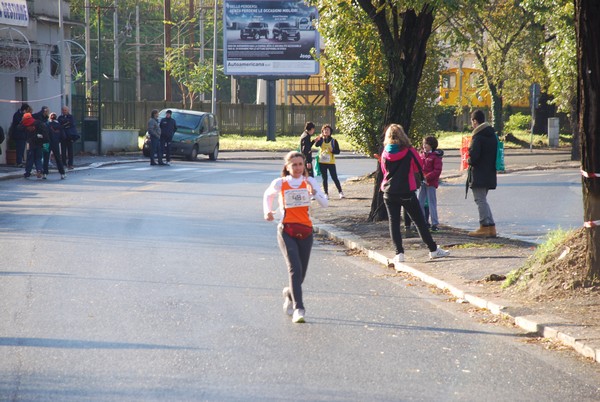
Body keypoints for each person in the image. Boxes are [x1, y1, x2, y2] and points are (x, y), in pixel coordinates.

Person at [263, 151, 328, 323]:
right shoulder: (281, 182)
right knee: (294, 268)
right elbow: (267, 195)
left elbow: (325, 203)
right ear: (287, 167)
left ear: (305, 165)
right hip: (287, 230)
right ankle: (299, 308)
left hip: (306, 231)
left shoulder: (310, 182)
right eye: (294, 165)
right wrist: (267, 211)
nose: (298, 168)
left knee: (301, 274)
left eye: (300, 164)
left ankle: (289, 294)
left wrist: (314, 192)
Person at [377, 124, 449, 268]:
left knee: (394, 223)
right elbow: (419, 166)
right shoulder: (409, 151)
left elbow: (384, 170)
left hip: (389, 192)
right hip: (406, 191)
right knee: (420, 221)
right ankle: (433, 250)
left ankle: (399, 254)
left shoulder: (385, 152)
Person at [467, 109, 498, 238]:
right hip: (489, 172)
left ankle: (484, 226)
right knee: (483, 199)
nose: (472, 124)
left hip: (479, 173)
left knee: (480, 200)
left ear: (475, 121)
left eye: (472, 121)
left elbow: (474, 157)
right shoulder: (492, 135)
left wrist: (468, 158)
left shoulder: (478, 136)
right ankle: (491, 226)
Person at [418, 136, 444, 231]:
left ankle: (435, 223)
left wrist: (427, 177)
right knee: (420, 202)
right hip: (422, 182)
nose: (424, 146)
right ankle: (422, 221)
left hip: (431, 182)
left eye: (426, 144)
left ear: (432, 145)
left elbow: (437, 171)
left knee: (432, 203)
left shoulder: (435, 157)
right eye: (424, 143)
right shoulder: (422, 155)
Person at [315, 124, 344, 199]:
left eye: (328, 130)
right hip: (322, 162)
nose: (326, 131)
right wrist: (319, 138)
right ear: (322, 131)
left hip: (331, 162)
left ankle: (340, 192)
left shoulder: (334, 141)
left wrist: (332, 151)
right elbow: (316, 145)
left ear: (330, 132)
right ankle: (326, 193)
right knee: (324, 178)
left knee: (334, 177)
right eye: (325, 130)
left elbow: (338, 151)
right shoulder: (321, 140)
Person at [19, 112, 48, 179]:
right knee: (38, 158)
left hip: (30, 143)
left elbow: (19, 128)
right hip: (39, 143)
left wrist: (22, 121)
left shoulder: (26, 123)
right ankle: (39, 170)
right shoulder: (39, 123)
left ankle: (27, 173)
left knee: (30, 158)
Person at [43, 112, 66, 180]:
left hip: (46, 144)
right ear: (56, 118)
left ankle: (45, 173)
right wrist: (58, 140)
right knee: (58, 158)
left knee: (45, 158)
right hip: (55, 143)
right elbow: (63, 136)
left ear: (49, 117)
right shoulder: (59, 125)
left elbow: (44, 134)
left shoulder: (46, 124)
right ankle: (62, 173)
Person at [9, 103, 31, 167]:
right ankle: (19, 162)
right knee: (20, 148)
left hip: (23, 135)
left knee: (21, 148)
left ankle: (19, 161)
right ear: (24, 109)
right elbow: (19, 123)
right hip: (19, 135)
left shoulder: (22, 115)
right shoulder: (17, 114)